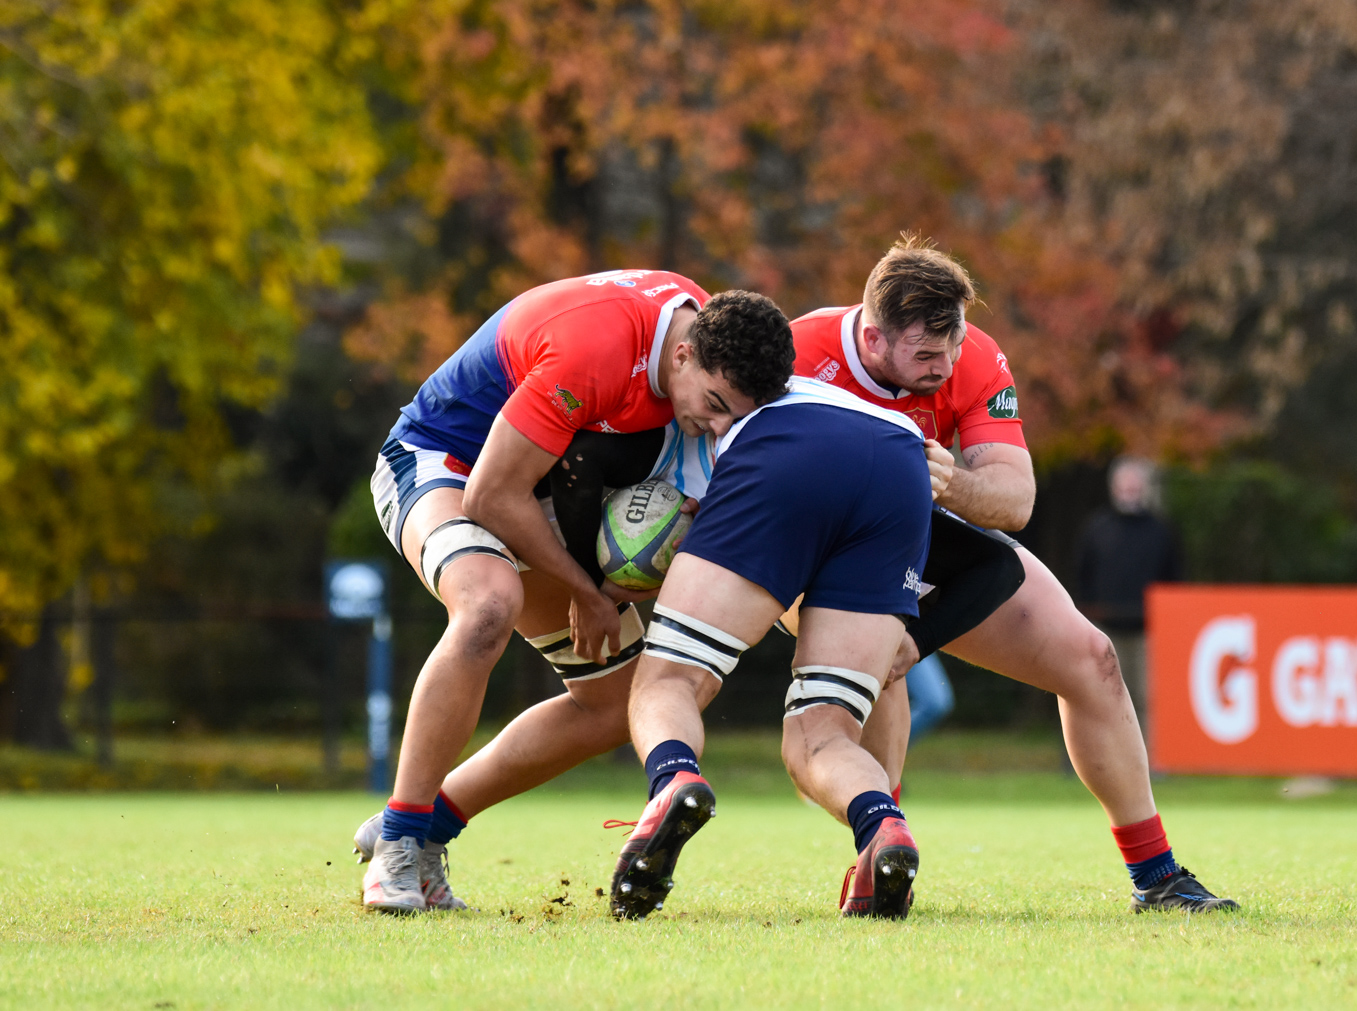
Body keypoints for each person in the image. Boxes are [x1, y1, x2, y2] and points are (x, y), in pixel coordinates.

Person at [789, 238, 1237, 913]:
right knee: (884, 672)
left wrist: (949, 481)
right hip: (817, 548)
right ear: (873, 337)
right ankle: (880, 856)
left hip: (930, 538)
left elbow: (1015, 501)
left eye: (952, 346)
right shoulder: (799, 355)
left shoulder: (971, 355)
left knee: (1092, 658)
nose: (944, 366)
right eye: (926, 354)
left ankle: (1158, 877)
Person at [356, 272, 794, 913]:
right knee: (487, 606)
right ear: (681, 355)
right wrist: (589, 592)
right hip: (443, 464)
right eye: (715, 403)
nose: (717, 424)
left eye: (735, 415)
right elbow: (490, 495)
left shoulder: (708, 334)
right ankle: (398, 842)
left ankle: (427, 831)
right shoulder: (596, 347)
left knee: (620, 704)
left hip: (531, 489)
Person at [609, 377, 936, 921]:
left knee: (671, 679)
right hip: (903, 464)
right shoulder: (835, 391)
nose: (713, 420)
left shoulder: (705, 389)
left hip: (784, 448)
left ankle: (673, 781)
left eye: (718, 408)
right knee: (822, 732)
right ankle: (882, 825)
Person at [1073, 456, 1184, 733]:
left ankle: (1147, 756)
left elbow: (1174, 578)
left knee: (1148, 699)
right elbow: (1082, 575)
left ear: (1143, 488)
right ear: (1114, 487)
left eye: (1135, 485)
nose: (1130, 491)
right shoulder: (1097, 528)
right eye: (1125, 485)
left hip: (1148, 632)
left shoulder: (1160, 531)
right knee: (1106, 697)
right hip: (1105, 632)